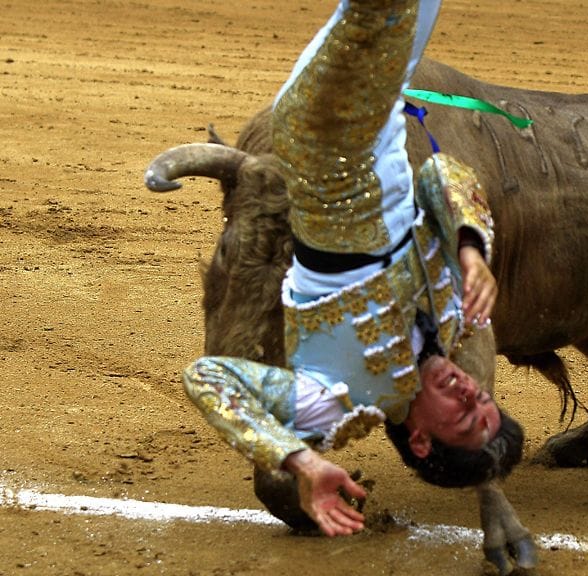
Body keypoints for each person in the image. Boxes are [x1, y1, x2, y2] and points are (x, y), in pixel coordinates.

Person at [181, 0, 523, 537]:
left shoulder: (339, 399)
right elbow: (442, 171)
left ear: (420, 441)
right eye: (481, 397)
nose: (466, 389)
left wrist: (300, 459)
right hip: (381, 116)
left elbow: (209, 377)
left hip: (326, 131)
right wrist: (471, 245)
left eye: (463, 413)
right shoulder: (453, 321)